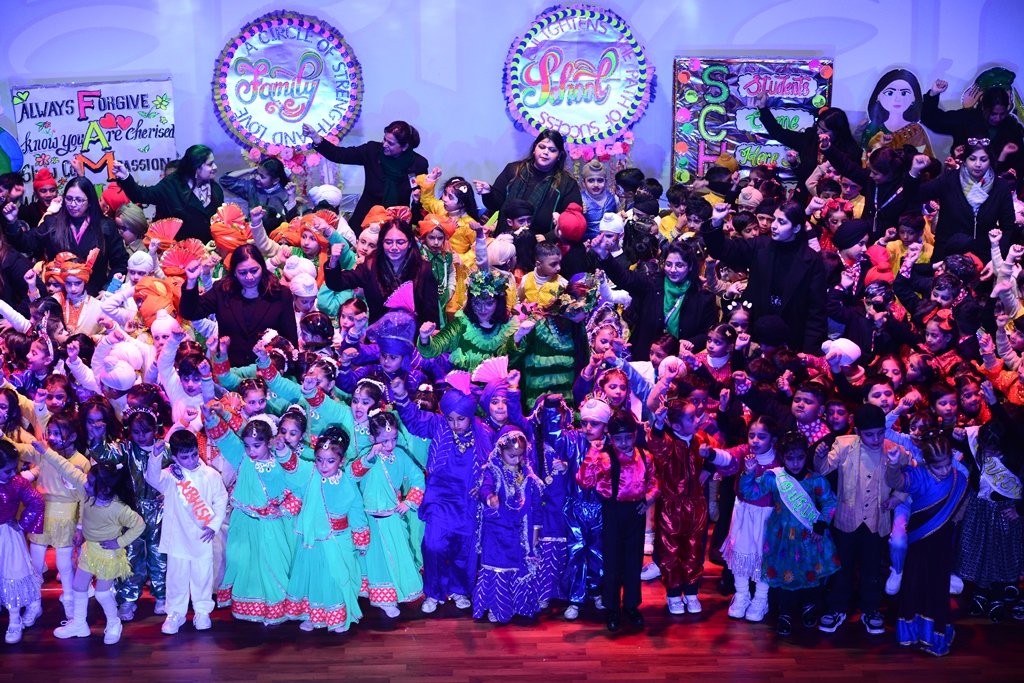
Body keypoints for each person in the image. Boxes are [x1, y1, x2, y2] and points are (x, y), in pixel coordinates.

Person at [18, 440, 144, 645]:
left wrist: (120, 542)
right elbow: (65, 467)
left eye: (90, 481)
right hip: (89, 551)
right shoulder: (88, 491)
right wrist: (46, 452)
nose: (85, 482)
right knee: (78, 587)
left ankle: (114, 623)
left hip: (108, 554)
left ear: (104, 488)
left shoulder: (119, 508)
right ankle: (79, 624)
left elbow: (139, 525)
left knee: (102, 593)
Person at [739, 432, 839, 637]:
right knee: (784, 574)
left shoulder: (815, 480)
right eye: (790, 458)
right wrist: (748, 474)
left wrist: (821, 525)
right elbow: (750, 493)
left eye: (800, 458)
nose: (795, 463)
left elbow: (830, 502)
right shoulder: (773, 478)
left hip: (809, 537)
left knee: (809, 571)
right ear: (782, 457)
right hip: (781, 537)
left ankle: (809, 606)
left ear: (806, 456)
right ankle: (784, 613)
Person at [704, 202, 827, 354]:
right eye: (774, 219)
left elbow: (816, 312)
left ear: (796, 228)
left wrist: (809, 354)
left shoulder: (812, 260)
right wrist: (716, 222)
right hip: (753, 335)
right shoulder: (760, 246)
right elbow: (722, 250)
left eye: (781, 222)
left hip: (790, 341)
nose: (774, 226)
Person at [885, 434, 968, 656]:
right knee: (914, 584)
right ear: (927, 462)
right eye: (938, 467)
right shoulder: (919, 475)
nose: (945, 470)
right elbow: (896, 483)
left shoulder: (958, 478)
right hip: (919, 542)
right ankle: (912, 634)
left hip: (942, 542)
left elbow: (962, 504)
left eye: (948, 464)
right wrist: (893, 464)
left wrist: (954, 521)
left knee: (938, 588)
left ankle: (937, 637)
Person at [578, 410, 657, 632]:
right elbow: (584, 481)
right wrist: (592, 454)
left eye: (627, 438)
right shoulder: (604, 458)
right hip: (612, 512)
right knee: (612, 562)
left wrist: (649, 499)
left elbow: (653, 482)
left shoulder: (645, 456)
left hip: (636, 512)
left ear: (634, 435)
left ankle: (631, 605)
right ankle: (612, 607)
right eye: (618, 439)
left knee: (633, 561)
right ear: (610, 438)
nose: (623, 443)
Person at [145, 430, 228, 635]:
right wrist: (155, 456)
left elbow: (221, 499)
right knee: (177, 577)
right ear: (174, 457)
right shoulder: (171, 475)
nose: (191, 460)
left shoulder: (210, 474)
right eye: (184, 457)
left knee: (203, 575)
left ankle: (202, 611)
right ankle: (175, 613)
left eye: (193, 454)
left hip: (202, 536)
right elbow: (152, 478)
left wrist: (213, 525)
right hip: (178, 537)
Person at [592, 238, 719, 360]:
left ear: (690, 266)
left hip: (679, 362)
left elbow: (707, 333)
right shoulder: (652, 283)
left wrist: (691, 343)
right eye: (668, 264)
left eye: (679, 265)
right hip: (645, 358)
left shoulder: (703, 297)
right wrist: (604, 255)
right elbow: (625, 278)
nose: (672, 270)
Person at [3, 177, 128, 295]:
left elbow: (120, 263)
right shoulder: (52, 222)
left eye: (79, 200)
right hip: (60, 295)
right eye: (69, 199)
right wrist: (12, 222)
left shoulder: (105, 226)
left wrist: (108, 289)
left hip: (94, 296)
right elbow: (26, 244)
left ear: (90, 202)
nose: (73, 204)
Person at [180, 243, 299, 367]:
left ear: (263, 268)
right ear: (234, 272)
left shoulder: (280, 294)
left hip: (268, 369)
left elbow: (290, 338)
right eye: (242, 272)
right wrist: (191, 281)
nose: (249, 277)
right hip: (230, 369)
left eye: (254, 271)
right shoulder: (222, 290)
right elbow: (191, 312)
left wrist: (291, 368)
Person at [304, 121, 428, 229]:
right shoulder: (372, 151)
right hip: (364, 219)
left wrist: (416, 206)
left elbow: (421, 200)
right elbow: (340, 154)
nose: (384, 144)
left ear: (405, 147)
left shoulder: (418, 164)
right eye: (384, 139)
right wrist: (316, 138)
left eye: (390, 143)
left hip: (396, 222)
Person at [324, 215, 440, 325]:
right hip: (376, 335)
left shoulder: (423, 269)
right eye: (388, 242)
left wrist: (430, 334)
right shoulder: (370, 266)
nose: (394, 247)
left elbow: (431, 312)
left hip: (414, 335)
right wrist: (333, 261)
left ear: (409, 243)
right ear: (381, 243)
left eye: (400, 242)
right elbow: (337, 283)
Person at [910, 143, 1017, 260]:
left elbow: (1008, 226)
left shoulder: (1001, 187)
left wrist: (998, 257)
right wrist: (914, 171)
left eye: (983, 159)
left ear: (990, 161)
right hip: (946, 255)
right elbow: (914, 195)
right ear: (964, 160)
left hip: (983, 256)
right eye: (972, 159)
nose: (978, 164)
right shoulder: (949, 180)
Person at [475, 130, 583, 236]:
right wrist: (488, 193)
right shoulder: (514, 170)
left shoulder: (567, 184)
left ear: (559, 155)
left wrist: (548, 237)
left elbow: (573, 222)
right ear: (534, 148)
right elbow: (495, 205)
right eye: (542, 147)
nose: (545, 152)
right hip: (503, 240)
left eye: (552, 150)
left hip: (540, 244)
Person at [114, 144, 225, 242]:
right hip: (181, 253)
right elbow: (141, 195)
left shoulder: (215, 189)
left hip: (211, 250)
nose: (215, 167)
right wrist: (125, 177)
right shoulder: (171, 185)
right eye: (210, 164)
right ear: (196, 167)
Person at [922, 79, 1024, 172]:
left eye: (1002, 114)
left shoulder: (1012, 127)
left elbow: (1019, 160)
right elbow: (934, 120)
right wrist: (933, 94)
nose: (998, 118)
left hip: (997, 180)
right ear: (984, 108)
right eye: (993, 114)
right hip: (962, 176)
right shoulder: (967, 118)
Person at [0, 438, 45, 644]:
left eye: (14, 469)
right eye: (7, 471)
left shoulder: (17, 483)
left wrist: (22, 523)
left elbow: (37, 500)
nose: (13, 474)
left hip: (8, 535)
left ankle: (15, 620)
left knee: (14, 575)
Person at [861, 68, 933, 154]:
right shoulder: (872, 129)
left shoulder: (915, 130)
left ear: (914, 98)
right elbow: (864, 157)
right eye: (889, 93)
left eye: (904, 93)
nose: (897, 99)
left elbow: (925, 158)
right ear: (878, 96)